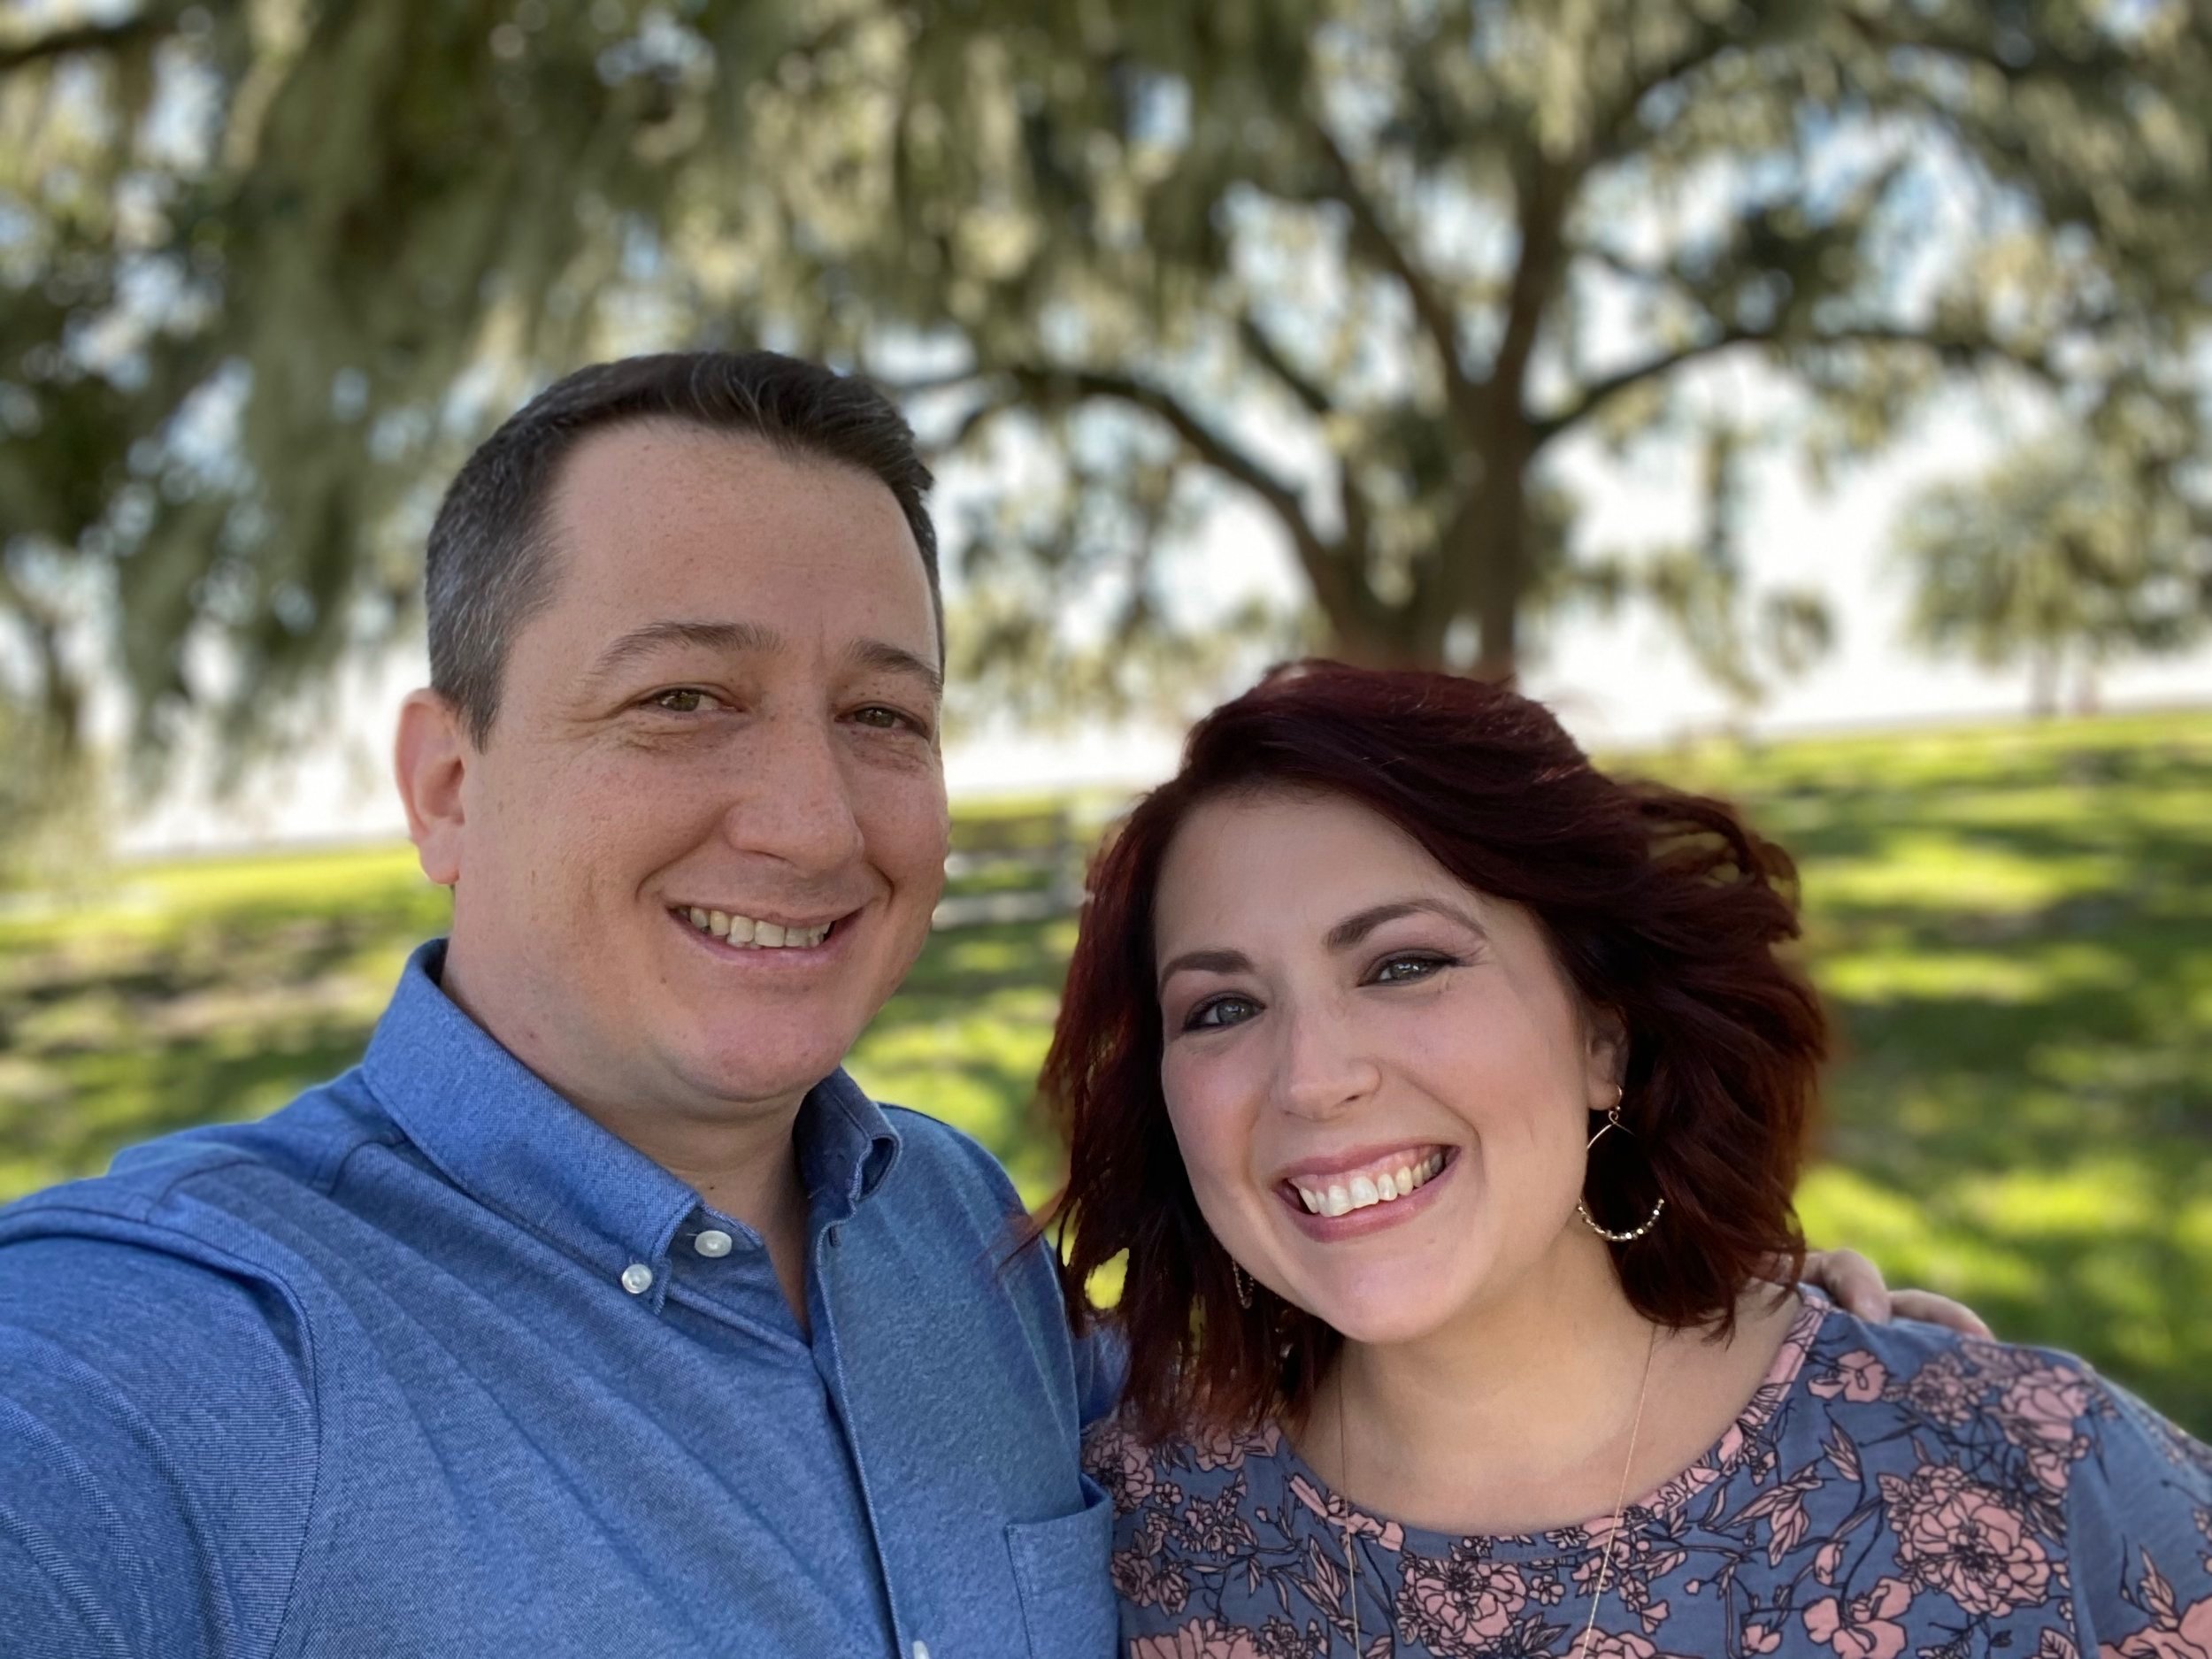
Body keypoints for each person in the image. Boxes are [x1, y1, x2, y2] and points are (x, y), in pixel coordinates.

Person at [0, 352, 1960, 1659]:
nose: (807, 816)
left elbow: (1324, 1438)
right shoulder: (195, 1346)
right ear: (447, 780)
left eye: (883, 715)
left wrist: (1748, 1364)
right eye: (681, 695)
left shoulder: (956, 1237)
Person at [1048, 662, 2212, 1658]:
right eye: (1220, 1009)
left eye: (1403, 965)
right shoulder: (1125, 1542)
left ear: (1602, 1036)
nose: (1311, 1077)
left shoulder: (2039, 1481)